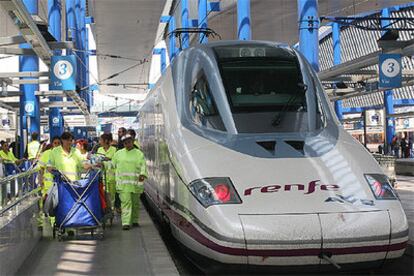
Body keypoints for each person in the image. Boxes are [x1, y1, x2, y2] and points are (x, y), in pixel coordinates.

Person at [112, 134, 147, 230]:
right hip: (123, 185)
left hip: (135, 184)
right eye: (125, 143)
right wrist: (102, 164)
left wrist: (143, 174)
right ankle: (126, 222)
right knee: (126, 203)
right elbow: (112, 165)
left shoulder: (139, 153)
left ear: (132, 142)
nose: (127, 144)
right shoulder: (118, 154)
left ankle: (135, 220)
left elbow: (143, 165)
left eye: (129, 142)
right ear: (123, 143)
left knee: (135, 203)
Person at [37, 136, 61, 228]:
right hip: (48, 184)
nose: (57, 145)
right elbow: (41, 169)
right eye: (55, 143)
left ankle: (55, 223)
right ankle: (49, 222)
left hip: (59, 184)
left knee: (57, 203)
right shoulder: (46, 153)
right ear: (52, 144)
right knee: (48, 203)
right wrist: (41, 182)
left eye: (59, 143)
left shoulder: (61, 154)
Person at [97, 133, 117, 208]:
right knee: (103, 196)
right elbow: (98, 161)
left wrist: (105, 160)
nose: (100, 142)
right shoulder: (99, 149)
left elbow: (115, 162)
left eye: (101, 140)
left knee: (111, 197)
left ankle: (111, 211)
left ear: (106, 141)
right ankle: (105, 211)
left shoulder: (114, 150)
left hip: (112, 178)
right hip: (102, 177)